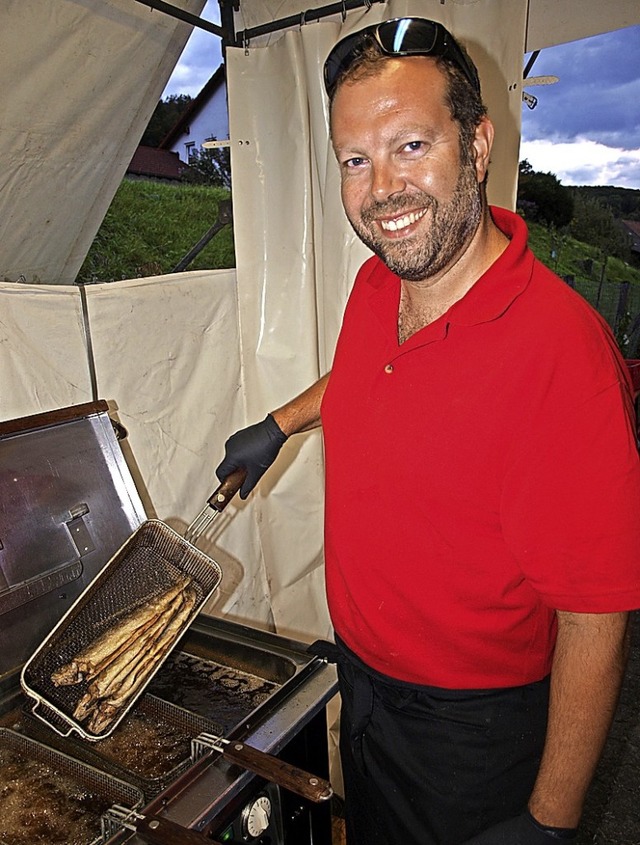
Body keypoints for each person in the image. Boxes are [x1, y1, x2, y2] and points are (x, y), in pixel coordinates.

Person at [215, 17, 640, 845]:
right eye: (355, 160)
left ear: (477, 145)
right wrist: (282, 421)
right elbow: (376, 377)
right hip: (365, 683)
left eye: (410, 145)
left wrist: (552, 817)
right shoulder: (381, 284)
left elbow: (596, 616)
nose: (382, 189)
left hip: (469, 736)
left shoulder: (561, 354)